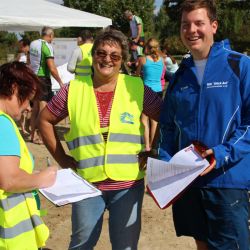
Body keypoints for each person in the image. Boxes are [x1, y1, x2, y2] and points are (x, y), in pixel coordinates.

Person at [38, 29, 162, 249]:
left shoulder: (135, 87)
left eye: (115, 56)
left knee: (125, 246)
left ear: (122, 60)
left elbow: (165, 116)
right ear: (93, 56)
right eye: (102, 54)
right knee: (81, 244)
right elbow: (44, 121)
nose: (107, 60)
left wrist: (155, 149)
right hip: (87, 183)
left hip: (127, 184)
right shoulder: (73, 90)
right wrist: (62, 159)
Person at [159, 0, 250, 249]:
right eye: (185, 24)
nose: (192, 30)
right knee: (202, 244)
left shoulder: (239, 65)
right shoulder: (180, 76)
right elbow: (168, 127)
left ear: (213, 26)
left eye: (199, 23)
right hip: (188, 182)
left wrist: (221, 154)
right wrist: (165, 165)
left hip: (227, 179)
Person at [0, 61, 58, 249]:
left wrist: (31, 175)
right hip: (10, 238)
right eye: (28, 100)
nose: (28, 108)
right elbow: (8, 180)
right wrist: (42, 178)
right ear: (15, 89)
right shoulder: (3, 125)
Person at [29, 26, 63, 145]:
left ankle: (32, 135)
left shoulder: (33, 44)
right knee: (43, 109)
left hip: (33, 77)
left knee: (35, 109)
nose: (53, 38)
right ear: (50, 35)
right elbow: (52, 67)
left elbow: (29, 61)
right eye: (53, 36)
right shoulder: (47, 46)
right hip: (43, 78)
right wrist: (60, 81)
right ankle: (40, 136)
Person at [136, 38, 165, 151]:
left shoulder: (143, 59)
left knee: (144, 119)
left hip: (147, 91)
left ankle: (147, 146)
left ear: (147, 47)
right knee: (154, 120)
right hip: (158, 90)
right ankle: (153, 146)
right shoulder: (162, 60)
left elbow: (137, 75)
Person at [16, 38, 31, 135]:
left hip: (28, 81)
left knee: (28, 108)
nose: (20, 48)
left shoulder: (31, 55)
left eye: (21, 46)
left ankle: (27, 127)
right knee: (22, 105)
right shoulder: (20, 55)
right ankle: (22, 128)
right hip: (20, 81)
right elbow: (15, 66)